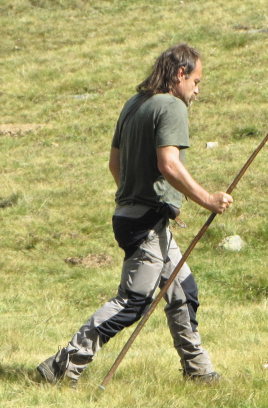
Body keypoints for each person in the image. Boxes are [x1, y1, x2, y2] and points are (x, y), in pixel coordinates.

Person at [37, 44, 232, 388]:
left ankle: (198, 370)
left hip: (134, 215)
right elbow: (168, 164)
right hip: (145, 223)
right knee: (133, 303)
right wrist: (207, 199)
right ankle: (62, 364)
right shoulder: (171, 106)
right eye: (197, 81)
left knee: (183, 290)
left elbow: (115, 164)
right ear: (180, 74)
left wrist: (143, 198)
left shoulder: (134, 104)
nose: (198, 91)